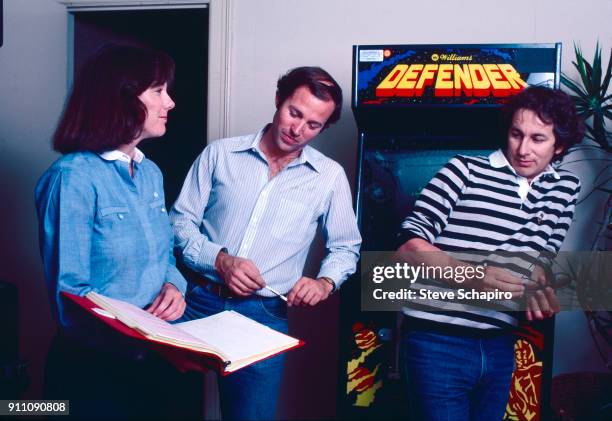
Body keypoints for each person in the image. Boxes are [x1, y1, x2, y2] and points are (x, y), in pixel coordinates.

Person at [170, 66, 362, 419]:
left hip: (264, 317)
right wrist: (220, 260)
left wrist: (325, 282)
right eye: (294, 112)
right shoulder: (219, 154)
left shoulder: (329, 177)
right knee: (164, 408)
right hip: (195, 302)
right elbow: (179, 222)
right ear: (278, 100)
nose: (297, 129)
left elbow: (345, 246)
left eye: (313, 125)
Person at [396, 86, 584, 421]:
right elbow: (408, 249)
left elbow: (543, 262)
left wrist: (542, 290)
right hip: (437, 340)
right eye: (516, 134)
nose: (523, 149)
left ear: (561, 146)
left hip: (501, 343)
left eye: (538, 139)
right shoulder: (463, 170)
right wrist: (473, 276)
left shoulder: (565, 189)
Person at [35, 44, 196, 419]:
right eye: (158, 91)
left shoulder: (151, 173)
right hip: (94, 374)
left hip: (155, 363)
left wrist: (175, 286)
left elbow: (164, 256)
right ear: (120, 99)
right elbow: (70, 297)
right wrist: (140, 339)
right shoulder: (72, 178)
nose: (169, 103)